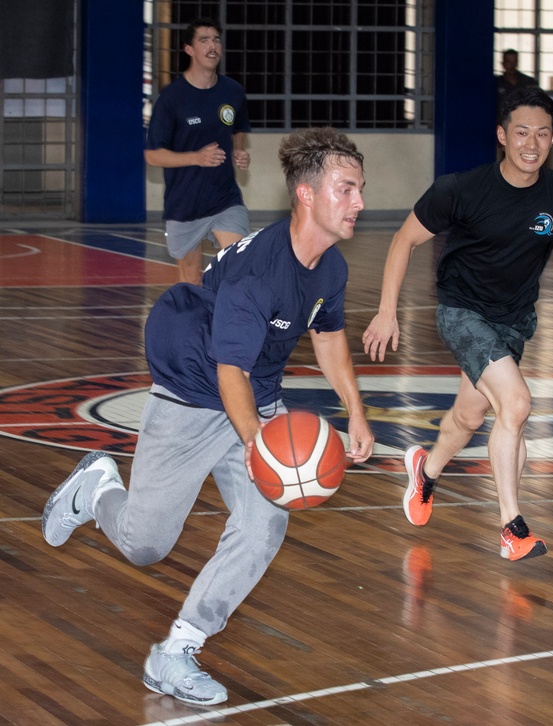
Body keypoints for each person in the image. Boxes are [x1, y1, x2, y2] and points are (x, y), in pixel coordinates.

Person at [41, 127, 375, 704]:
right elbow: (229, 374)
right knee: (146, 544)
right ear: (307, 195)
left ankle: (176, 652)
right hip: (195, 386)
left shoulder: (330, 269)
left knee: (265, 523)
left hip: (255, 386)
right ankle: (95, 490)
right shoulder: (260, 273)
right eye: (347, 189)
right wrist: (256, 443)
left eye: (361, 190)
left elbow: (327, 338)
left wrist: (357, 411)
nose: (360, 203)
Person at [362, 86, 553, 561]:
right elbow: (403, 241)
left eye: (542, 134)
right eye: (521, 133)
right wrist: (387, 310)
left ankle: (425, 472)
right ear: (502, 136)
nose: (531, 144)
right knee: (515, 404)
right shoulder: (461, 189)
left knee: (470, 416)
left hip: (513, 322)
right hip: (461, 311)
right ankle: (511, 528)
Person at [145, 18, 251, 285]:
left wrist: (239, 151)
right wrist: (196, 158)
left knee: (238, 266)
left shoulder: (233, 91)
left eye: (216, 39)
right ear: (189, 49)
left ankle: (230, 324)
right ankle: (195, 324)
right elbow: (153, 155)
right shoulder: (171, 99)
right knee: (191, 283)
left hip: (225, 198)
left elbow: (238, 128)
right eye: (204, 40)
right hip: (185, 204)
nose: (212, 46)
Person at [496, 49, 538, 119]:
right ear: (503, 64)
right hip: (500, 122)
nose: (512, 66)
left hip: (524, 121)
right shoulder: (496, 83)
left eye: (514, 62)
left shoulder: (529, 82)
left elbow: (537, 104)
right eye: (508, 62)